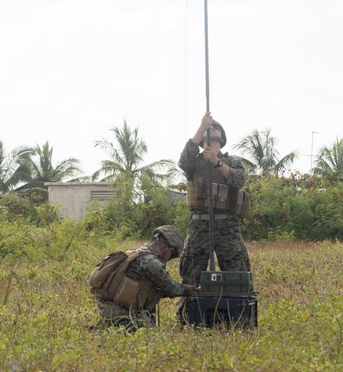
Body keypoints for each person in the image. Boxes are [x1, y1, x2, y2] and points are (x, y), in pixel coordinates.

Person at [178, 111, 252, 287]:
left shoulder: (232, 161)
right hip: (199, 223)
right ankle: (191, 304)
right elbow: (183, 162)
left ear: (222, 137)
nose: (212, 128)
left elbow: (239, 180)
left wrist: (217, 162)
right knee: (191, 273)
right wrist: (201, 127)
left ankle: (237, 304)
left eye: (216, 127)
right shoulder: (194, 161)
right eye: (209, 128)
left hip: (226, 224)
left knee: (237, 272)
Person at [89, 225, 197, 331]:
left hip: (108, 306)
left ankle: (108, 325)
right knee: (149, 334)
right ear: (165, 246)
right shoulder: (151, 262)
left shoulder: (138, 252)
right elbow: (171, 289)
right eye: (172, 253)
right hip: (118, 310)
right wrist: (189, 289)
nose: (169, 258)